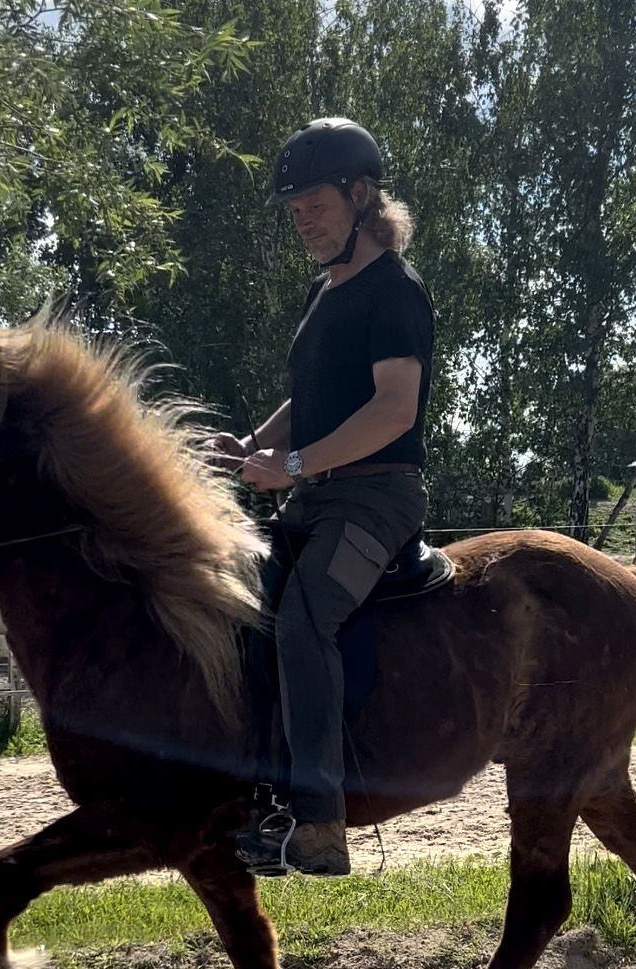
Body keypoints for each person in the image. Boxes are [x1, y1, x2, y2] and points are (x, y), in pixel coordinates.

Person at [218, 118, 434, 878]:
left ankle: (320, 823)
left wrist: (298, 464)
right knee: (244, 609)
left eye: (313, 204)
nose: (301, 220)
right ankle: (262, 794)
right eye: (293, 209)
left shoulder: (395, 291)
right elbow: (307, 396)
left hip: (377, 498)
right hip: (319, 496)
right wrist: (250, 447)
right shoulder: (326, 291)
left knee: (306, 619)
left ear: (361, 194)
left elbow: (392, 411)